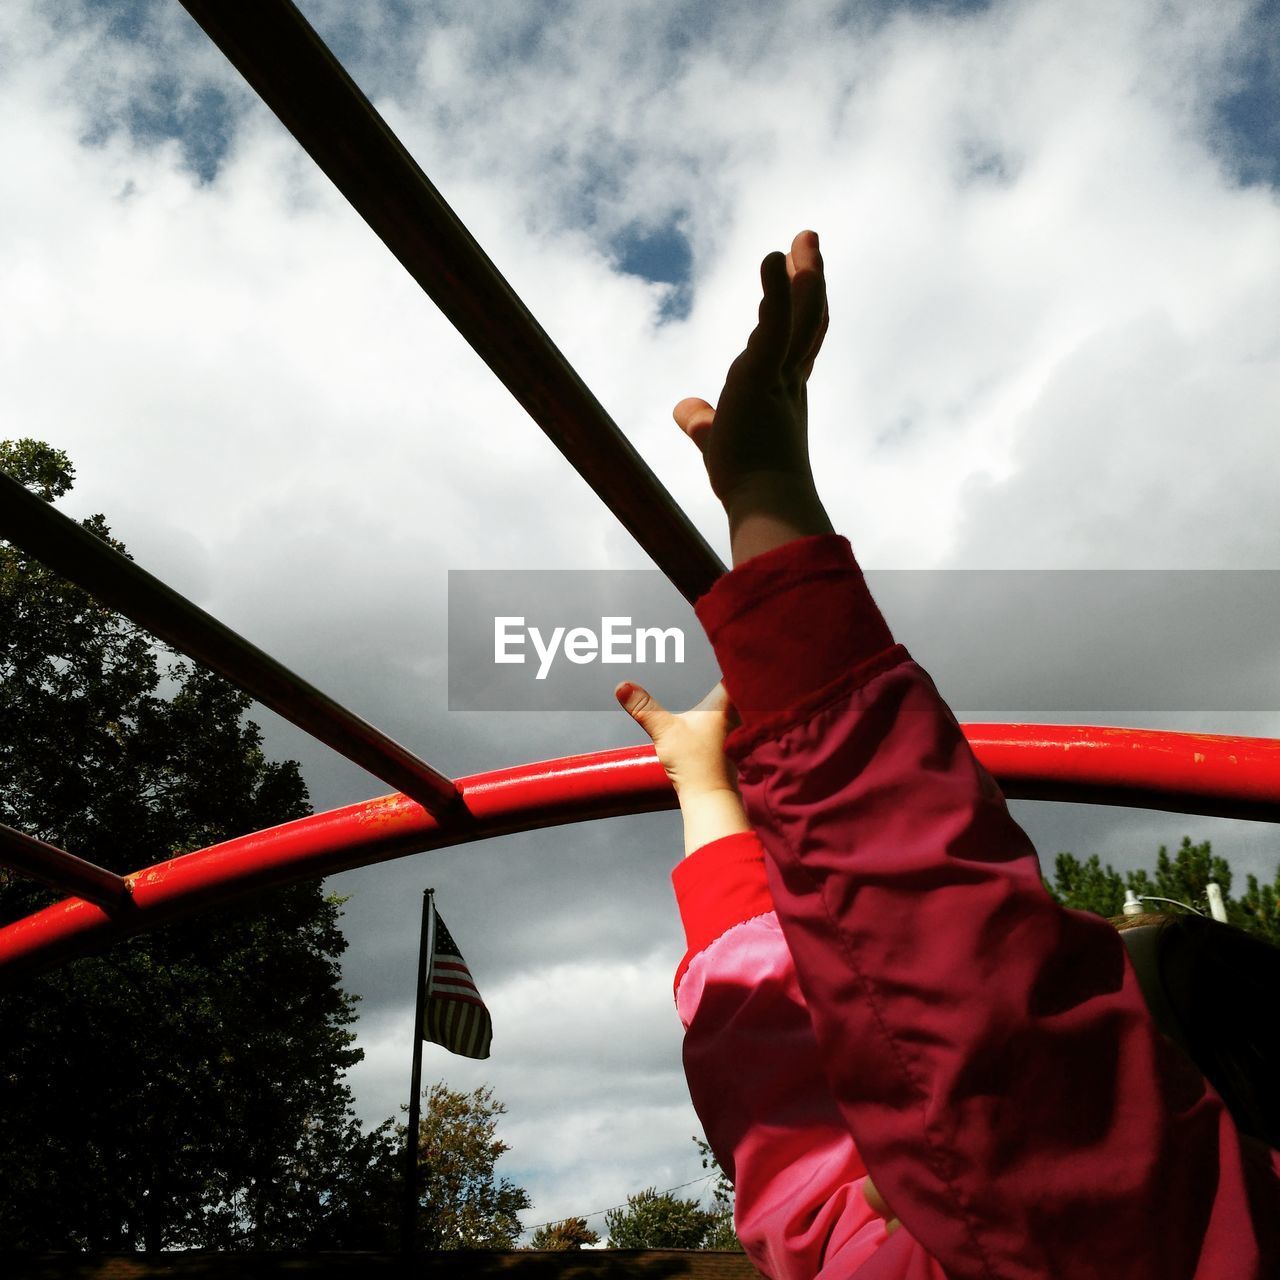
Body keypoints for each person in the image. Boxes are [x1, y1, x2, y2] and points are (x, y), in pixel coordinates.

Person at [614, 231, 1280, 1278]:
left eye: (1092, 1048)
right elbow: (805, 1121)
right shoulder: (894, 1243)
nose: (896, 1142)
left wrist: (772, 515)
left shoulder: (1135, 1234)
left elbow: (948, 985)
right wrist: (710, 795)